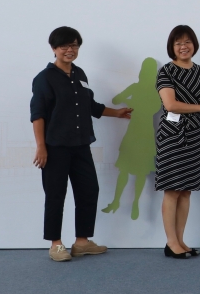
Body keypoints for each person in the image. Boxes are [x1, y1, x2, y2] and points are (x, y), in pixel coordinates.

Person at [30, 26, 133, 262]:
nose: (70, 50)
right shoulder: (44, 78)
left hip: (81, 145)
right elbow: (38, 114)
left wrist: (115, 113)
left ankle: (81, 242)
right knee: (56, 195)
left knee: (89, 191)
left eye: (74, 45)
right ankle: (56, 245)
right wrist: (41, 147)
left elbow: (91, 106)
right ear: (54, 48)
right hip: (55, 147)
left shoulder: (79, 74)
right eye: (64, 46)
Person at [155, 25, 200, 259]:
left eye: (188, 41)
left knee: (186, 191)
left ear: (194, 45)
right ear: (172, 47)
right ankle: (171, 243)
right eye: (179, 42)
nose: (184, 46)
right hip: (172, 136)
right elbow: (170, 105)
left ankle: (181, 241)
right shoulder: (166, 72)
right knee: (172, 190)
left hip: (193, 135)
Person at [102, 57, 160, 220]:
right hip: (145, 132)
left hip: (136, 131)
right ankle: (132, 203)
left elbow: (116, 99)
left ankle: (117, 201)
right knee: (139, 172)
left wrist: (132, 102)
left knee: (125, 169)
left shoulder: (137, 87)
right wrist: (135, 103)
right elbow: (154, 108)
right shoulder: (155, 91)